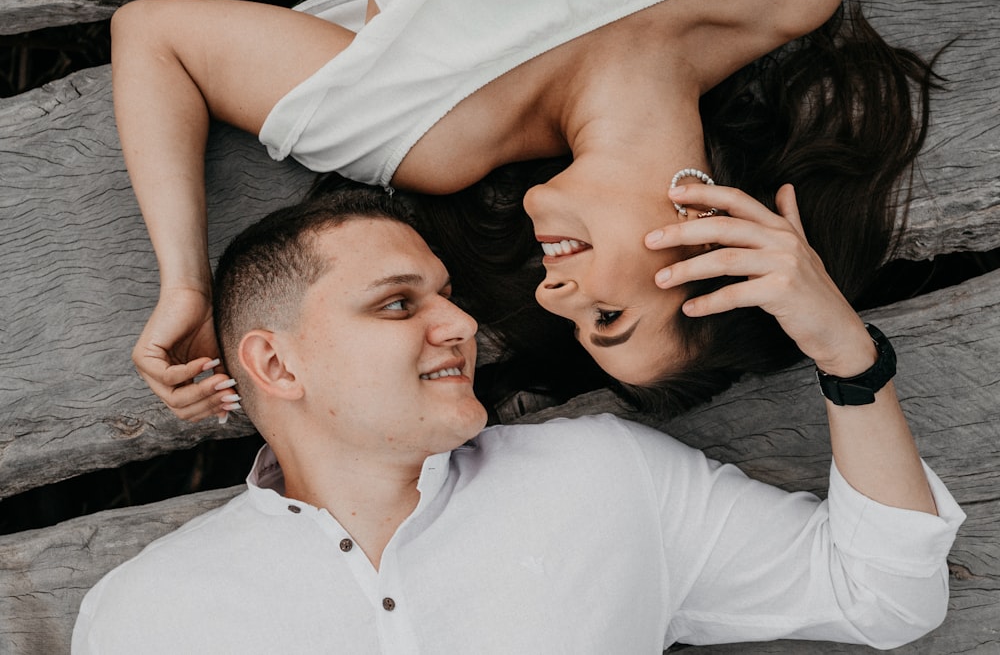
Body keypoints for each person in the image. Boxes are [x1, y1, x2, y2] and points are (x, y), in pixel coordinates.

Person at [73, 186, 964, 652]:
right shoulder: (145, 616)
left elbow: (884, 595)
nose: (460, 324)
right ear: (274, 363)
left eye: (449, 296)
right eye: (396, 305)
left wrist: (845, 352)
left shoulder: (605, 481)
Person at [111, 0, 938, 421]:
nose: (551, 294)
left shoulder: (429, 131)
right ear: (716, 245)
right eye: (607, 315)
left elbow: (157, 38)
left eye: (576, 326)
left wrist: (187, 283)